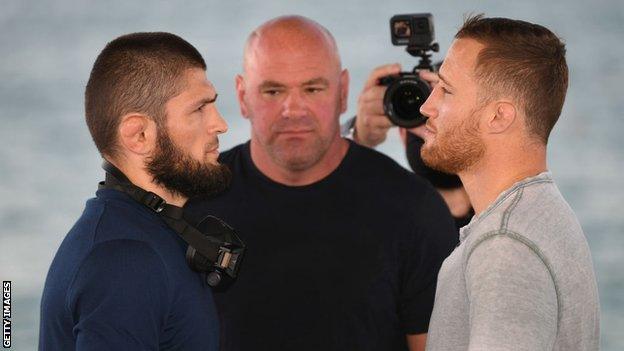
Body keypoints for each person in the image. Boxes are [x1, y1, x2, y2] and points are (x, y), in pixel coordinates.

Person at [185, 15, 458, 351]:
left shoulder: (415, 211)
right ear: (242, 96)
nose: (293, 109)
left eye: (313, 88)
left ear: (343, 92)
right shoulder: (189, 205)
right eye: (273, 90)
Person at [416, 15, 600, 350]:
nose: (427, 106)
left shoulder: (505, 246)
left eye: (446, 90)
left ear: (499, 116)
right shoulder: (543, 212)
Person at [39, 32, 230, 350]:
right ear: (139, 135)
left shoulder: (145, 234)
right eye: (199, 109)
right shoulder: (125, 261)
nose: (220, 124)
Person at [348, 66, 473, 228]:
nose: (430, 121)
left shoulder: (509, 214)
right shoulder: (381, 220)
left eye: (445, 111)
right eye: (419, 115)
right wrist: (360, 142)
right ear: (401, 130)